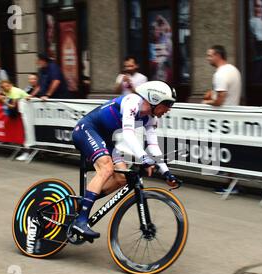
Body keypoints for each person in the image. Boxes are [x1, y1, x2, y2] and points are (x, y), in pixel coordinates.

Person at [70, 81, 180, 240]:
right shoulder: (132, 102)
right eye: (167, 104)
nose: (168, 110)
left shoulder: (152, 118)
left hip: (105, 139)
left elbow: (153, 146)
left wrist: (167, 172)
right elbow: (128, 135)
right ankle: (80, 221)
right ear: (154, 99)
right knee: (107, 169)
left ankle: (83, 202)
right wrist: (144, 158)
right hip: (86, 129)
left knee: (122, 178)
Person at [202, 45, 242, 195]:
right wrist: (212, 94)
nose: (208, 58)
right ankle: (230, 180)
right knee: (228, 150)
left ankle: (231, 184)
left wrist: (206, 102)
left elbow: (220, 100)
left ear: (218, 55)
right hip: (232, 116)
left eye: (209, 55)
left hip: (222, 119)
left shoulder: (220, 74)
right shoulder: (233, 70)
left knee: (225, 151)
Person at [249, 0, 262, 84]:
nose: (259, 9)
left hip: (261, 56)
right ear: (253, 8)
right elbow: (259, 40)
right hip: (258, 57)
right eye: (257, 6)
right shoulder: (254, 21)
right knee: (257, 79)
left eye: (261, 6)